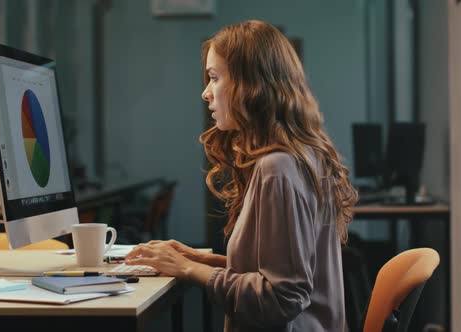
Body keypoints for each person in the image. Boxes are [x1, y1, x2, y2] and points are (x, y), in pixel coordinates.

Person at [125, 19, 358, 331]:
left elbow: (282, 298)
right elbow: (276, 272)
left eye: (214, 78)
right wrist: (196, 260)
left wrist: (187, 268)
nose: (206, 93)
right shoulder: (300, 156)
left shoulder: (277, 169)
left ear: (251, 86)